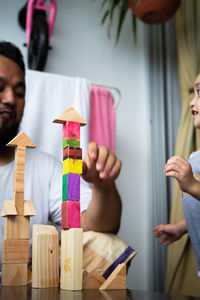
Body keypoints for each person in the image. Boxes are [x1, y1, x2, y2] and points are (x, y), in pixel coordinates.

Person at [0, 41, 122, 257]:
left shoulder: (46, 167)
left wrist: (103, 186)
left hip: (27, 287)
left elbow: (96, 226)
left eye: (19, 92)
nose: (10, 99)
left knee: (109, 247)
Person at [153, 72, 200, 276]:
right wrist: (182, 227)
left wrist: (193, 186)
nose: (192, 102)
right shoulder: (195, 157)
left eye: (199, 93)